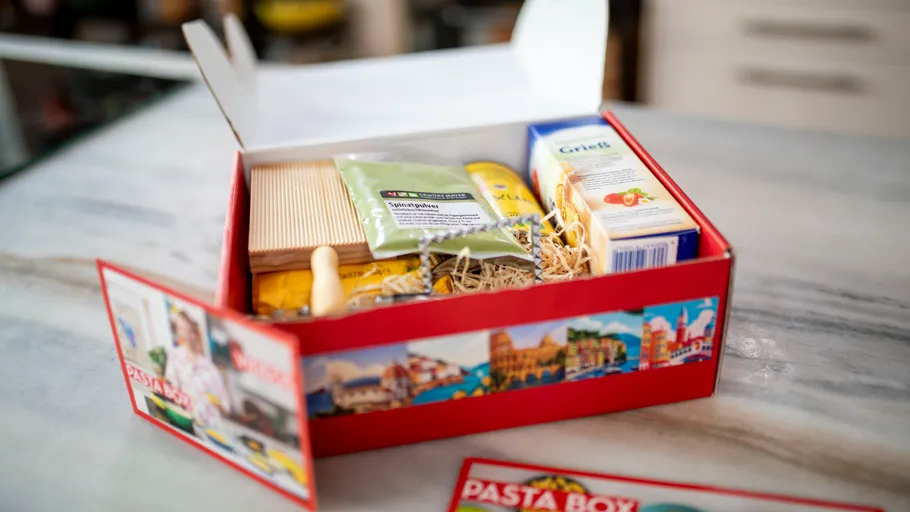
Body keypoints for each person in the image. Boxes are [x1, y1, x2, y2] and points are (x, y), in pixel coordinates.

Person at [165, 309, 232, 430]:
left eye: (191, 331)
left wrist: (217, 404)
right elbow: (170, 390)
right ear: (178, 333)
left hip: (210, 428)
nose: (189, 336)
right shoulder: (174, 356)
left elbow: (225, 407)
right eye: (183, 330)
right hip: (183, 422)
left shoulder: (209, 368)